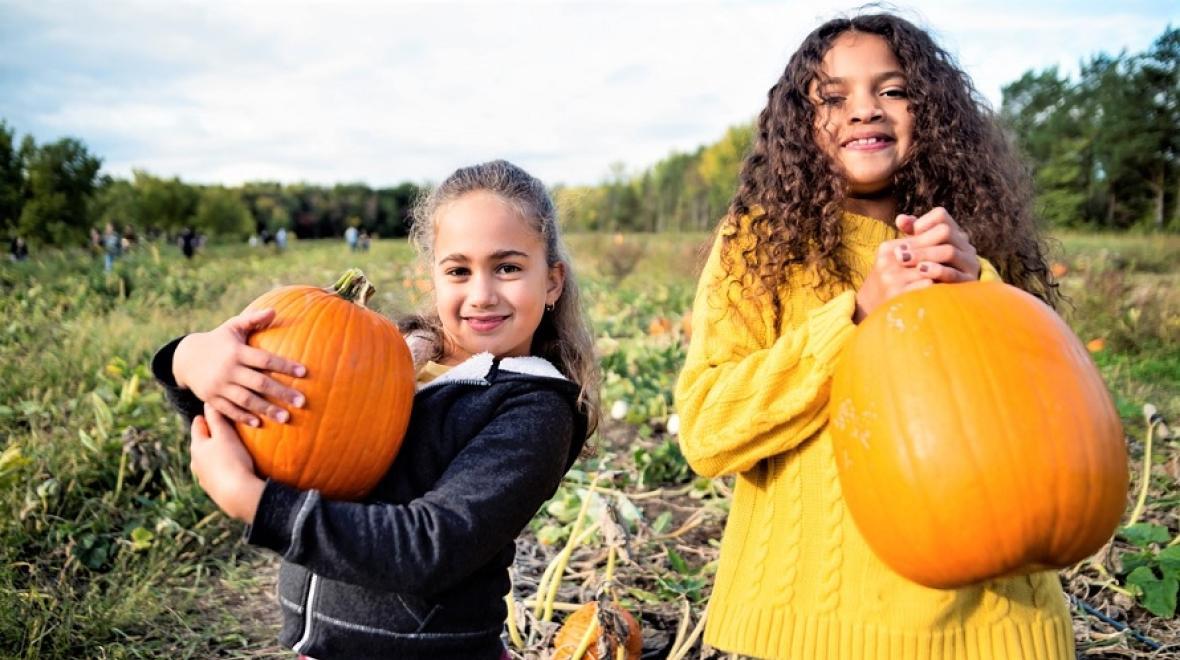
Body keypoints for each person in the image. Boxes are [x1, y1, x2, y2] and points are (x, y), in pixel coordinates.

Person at [674, 13, 1064, 660]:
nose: (863, 111)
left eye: (892, 90)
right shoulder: (759, 245)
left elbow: (1057, 415)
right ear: (800, 124)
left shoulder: (978, 244)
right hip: (816, 621)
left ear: (931, 111)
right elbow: (709, 430)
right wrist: (855, 318)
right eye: (832, 97)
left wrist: (984, 289)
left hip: (994, 621)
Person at [150, 160, 600, 659]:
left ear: (553, 281)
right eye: (458, 270)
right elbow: (266, 418)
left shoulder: (533, 409)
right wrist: (187, 360)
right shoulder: (383, 358)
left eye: (508, 267)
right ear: (433, 277)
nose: (482, 294)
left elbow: (433, 545)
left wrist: (252, 501)